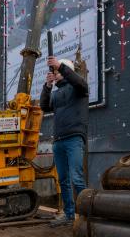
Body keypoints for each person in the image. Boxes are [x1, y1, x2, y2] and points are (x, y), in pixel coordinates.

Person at [40, 56, 88, 227]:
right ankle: (69, 214)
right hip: (59, 140)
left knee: (77, 178)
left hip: (74, 138)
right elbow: (44, 106)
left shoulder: (78, 88)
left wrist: (60, 66)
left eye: (58, 71)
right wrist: (47, 86)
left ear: (66, 70)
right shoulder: (57, 93)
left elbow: (79, 82)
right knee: (64, 180)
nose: (55, 73)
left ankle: (86, 215)